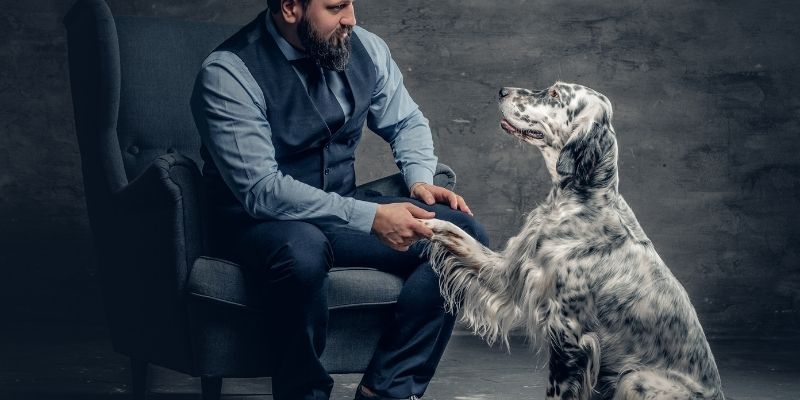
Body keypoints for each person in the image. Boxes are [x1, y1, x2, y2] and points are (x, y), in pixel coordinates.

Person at [190, 0, 488, 399]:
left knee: (460, 237)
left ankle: (387, 390)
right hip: (256, 223)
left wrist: (418, 178)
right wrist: (370, 217)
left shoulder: (364, 46)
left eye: (350, 3)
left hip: (337, 213)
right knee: (302, 251)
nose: (351, 18)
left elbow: (406, 120)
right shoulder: (229, 73)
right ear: (291, 7)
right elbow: (261, 191)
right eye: (335, 7)